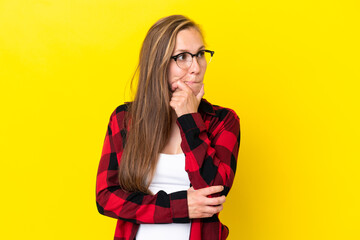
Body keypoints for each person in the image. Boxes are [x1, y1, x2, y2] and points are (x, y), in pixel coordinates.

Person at [96, 15, 240, 240]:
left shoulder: (222, 121)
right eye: (182, 57)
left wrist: (189, 118)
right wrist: (180, 206)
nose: (196, 67)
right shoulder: (125, 119)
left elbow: (214, 190)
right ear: (158, 63)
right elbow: (106, 197)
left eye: (200, 54)